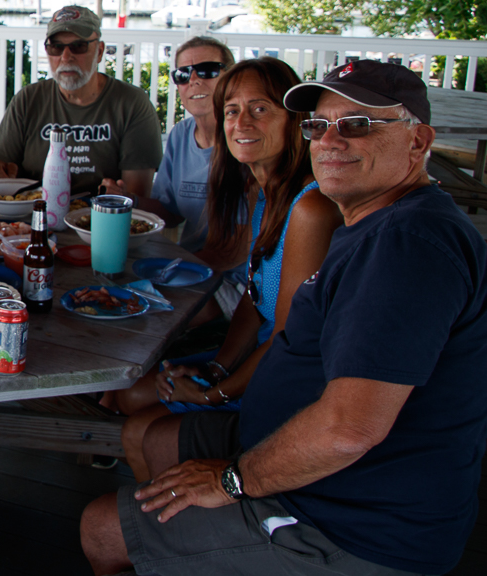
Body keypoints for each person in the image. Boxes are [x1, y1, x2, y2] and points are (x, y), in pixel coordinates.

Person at [81, 60, 487, 576]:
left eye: (358, 124)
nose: (331, 140)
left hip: (355, 519)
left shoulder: (405, 245)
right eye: (319, 125)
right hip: (292, 446)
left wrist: (232, 481)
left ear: (418, 140)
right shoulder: (372, 222)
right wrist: (222, 378)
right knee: (156, 438)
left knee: (101, 526)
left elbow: (347, 429)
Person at [105, 57, 341, 481]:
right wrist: (216, 368)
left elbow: (289, 339)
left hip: (294, 379)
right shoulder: (263, 191)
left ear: (295, 121)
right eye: (232, 110)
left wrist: (214, 393)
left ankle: (181, 530)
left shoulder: (310, 207)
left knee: (141, 429)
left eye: (261, 109)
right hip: (256, 356)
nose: (242, 122)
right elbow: (254, 298)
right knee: (132, 395)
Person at [101, 36, 246, 320]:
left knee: (137, 316)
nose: (194, 80)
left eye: (207, 71)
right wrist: (128, 200)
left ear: (231, 77)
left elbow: (233, 252)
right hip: (187, 268)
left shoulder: (245, 142)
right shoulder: (180, 135)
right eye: (182, 74)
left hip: (232, 280)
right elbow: (170, 213)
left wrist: (165, 276)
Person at [0, 5, 162, 199]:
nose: (66, 57)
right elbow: (1, 174)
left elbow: (138, 196)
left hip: (99, 220)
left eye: (78, 46)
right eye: (56, 47)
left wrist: (121, 196)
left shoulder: (132, 104)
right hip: (34, 216)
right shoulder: (28, 99)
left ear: (100, 51)